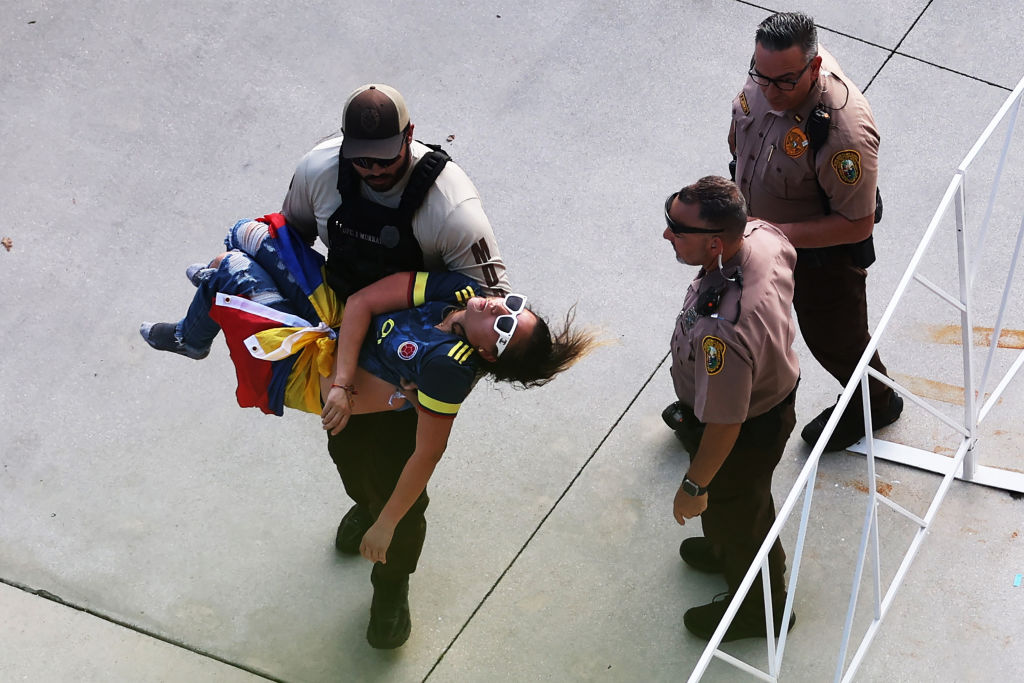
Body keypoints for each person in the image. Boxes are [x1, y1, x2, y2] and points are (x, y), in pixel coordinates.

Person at [141, 215, 595, 648]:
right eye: (514, 307)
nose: (500, 305)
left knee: (401, 509)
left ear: (487, 353)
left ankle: (391, 591)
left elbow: (426, 456)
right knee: (242, 239)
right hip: (345, 381)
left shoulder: (448, 368)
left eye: (504, 324)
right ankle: (366, 504)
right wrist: (342, 384)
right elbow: (362, 303)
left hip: (386, 424)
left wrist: (385, 523)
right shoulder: (461, 295)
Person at [722, 11, 902, 452]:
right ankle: (716, 406)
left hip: (820, 259)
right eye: (760, 76)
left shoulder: (843, 132)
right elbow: (742, 132)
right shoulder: (769, 75)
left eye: (784, 82)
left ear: (814, 66)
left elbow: (856, 222)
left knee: (835, 339)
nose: (769, 90)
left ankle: (875, 403)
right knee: (739, 321)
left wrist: (766, 230)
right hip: (754, 231)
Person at [663, 176, 799, 641]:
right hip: (772, 393)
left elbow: (724, 425)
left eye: (676, 228)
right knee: (737, 506)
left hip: (746, 427)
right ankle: (723, 542)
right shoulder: (761, 235)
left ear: (716, 243)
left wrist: (692, 486)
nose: (667, 235)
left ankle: (763, 610)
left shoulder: (725, 326)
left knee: (744, 515)